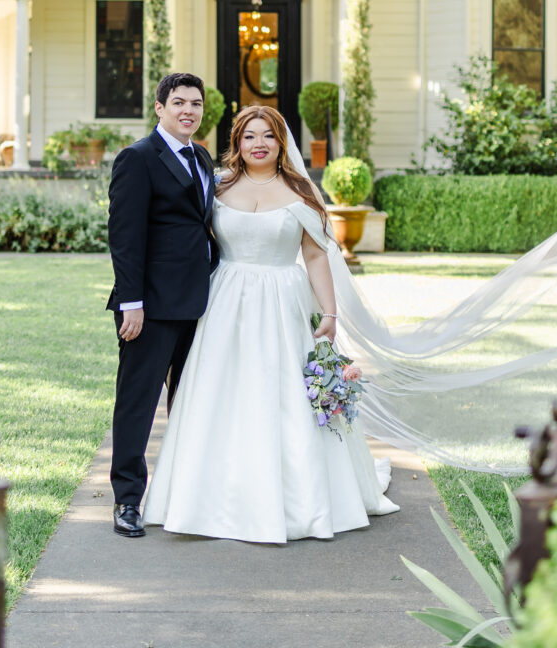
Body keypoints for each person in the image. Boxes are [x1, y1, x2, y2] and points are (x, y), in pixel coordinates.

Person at [143, 105, 399, 541]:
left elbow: (315, 256)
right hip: (225, 303)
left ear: (281, 143)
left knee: (283, 394)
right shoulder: (218, 186)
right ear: (237, 143)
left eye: (268, 136)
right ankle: (210, 498)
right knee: (220, 392)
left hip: (283, 303)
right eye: (249, 136)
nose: (258, 144)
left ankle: (297, 498)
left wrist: (330, 314)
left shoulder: (300, 192)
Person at [107, 72, 219, 538]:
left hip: (198, 303)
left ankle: (183, 494)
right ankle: (127, 500)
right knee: (138, 402)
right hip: (149, 307)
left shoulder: (202, 157)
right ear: (160, 108)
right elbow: (124, 237)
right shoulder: (137, 158)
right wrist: (131, 302)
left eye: (196, 104)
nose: (188, 111)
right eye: (179, 102)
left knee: (189, 400)